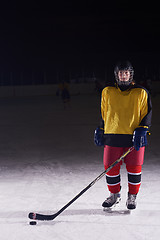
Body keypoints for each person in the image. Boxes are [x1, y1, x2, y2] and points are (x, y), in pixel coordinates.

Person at [94, 61, 152, 210]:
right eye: (121, 73)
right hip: (113, 135)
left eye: (126, 73)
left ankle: (132, 196)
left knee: (134, 168)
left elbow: (147, 113)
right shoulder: (107, 91)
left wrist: (142, 129)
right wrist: (101, 128)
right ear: (116, 74)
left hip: (134, 138)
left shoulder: (141, 92)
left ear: (130, 74)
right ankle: (114, 195)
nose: (123, 75)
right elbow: (104, 112)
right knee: (110, 168)